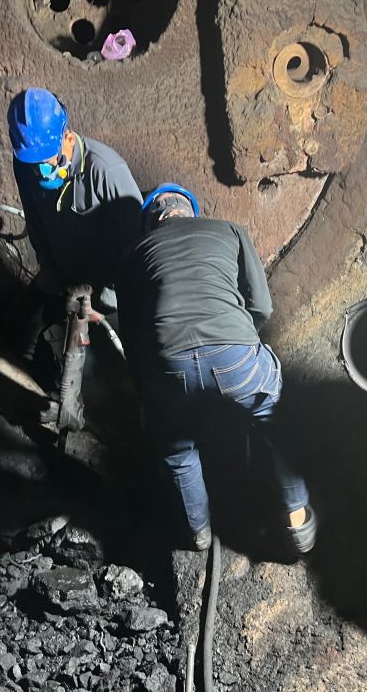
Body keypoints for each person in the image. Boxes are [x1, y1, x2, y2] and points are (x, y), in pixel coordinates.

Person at [116, 184, 316, 554]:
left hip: (170, 364)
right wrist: (239, 343)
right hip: (234, 355)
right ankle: (297, 520)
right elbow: (262, 306)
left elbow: (132, 339)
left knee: (178, 450)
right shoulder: (229, 230)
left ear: (152, 222)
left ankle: (198, 533)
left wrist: (150, 396)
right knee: (273, 420)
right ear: (191, 210)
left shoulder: (133, 255)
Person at [7, 87, 143, 396]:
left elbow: (138, 246)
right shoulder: (24, 164)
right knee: (22, 333)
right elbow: (34, 217)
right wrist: (49, 268)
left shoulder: (106, 171)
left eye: (47, 160)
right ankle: (48, 391)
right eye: (32, 162)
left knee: (118, 360)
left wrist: (109, 296)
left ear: (67, 137)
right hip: (63, 272)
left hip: (110, 283)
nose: (39, 170)